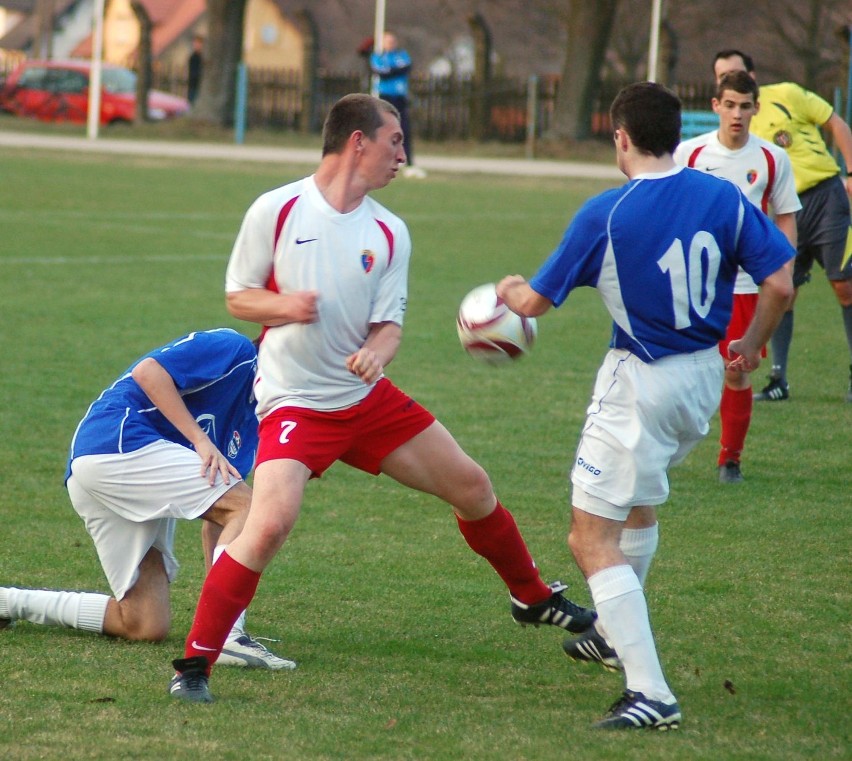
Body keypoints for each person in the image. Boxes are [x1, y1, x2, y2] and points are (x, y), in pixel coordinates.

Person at [167, 93, 595, 703]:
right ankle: (194, 666)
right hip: (294, 402)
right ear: (357, 142)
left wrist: (378, 353)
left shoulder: (390, 232)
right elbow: (238, 296)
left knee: (472, 486)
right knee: (267, 525)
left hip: (365, 400)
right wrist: (285, 305)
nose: (404, 154)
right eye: (396, 140)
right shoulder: (278, 209)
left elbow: (388, 325)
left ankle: (530, 596)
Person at [497, 82, 794, 730]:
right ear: (675, 134)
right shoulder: (722, 195)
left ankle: (651, 691)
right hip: (703, 377)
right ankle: (610, 630)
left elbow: (534, 306)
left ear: (621, 139)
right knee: (635, 503)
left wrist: (508, 291)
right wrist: (750, 341)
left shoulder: (607, 212)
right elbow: (779, 279)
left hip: (640, 380)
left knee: (588, 536)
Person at [0, 328, 295, 671]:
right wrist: (200, 441)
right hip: (118, 442)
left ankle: (8, 602)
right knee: (253, 508)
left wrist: (219, 605)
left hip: (99, 470)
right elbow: (149, 372)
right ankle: (228, 639)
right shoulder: (236, 349)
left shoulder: (261, 417)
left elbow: (224, 519)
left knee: (144, 623)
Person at [674, 71, 801, 483]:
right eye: (729, 104)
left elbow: (784, 216)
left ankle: (730, 459)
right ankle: (665, 450)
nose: (737, 114)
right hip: (696, 282)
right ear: (715, 106)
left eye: (745, 106)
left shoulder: (771, 159)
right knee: (679, 368)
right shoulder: (688, 155)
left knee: (736, 368)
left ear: (755, 109)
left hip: (746, 284)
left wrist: (784, 266)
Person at [713, 50, 852, 403]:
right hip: (785, 212)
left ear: (753, 76)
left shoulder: (787, 95)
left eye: (736, 73)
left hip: (825, 196)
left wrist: (851, 172)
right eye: (722, 76)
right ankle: (778, 379)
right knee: (781, 292)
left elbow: (836, 122)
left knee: (844, 285)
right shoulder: (734, 129)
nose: (732, 82)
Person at [369, 31, 426, 179]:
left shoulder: (402, 55)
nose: (391, 44)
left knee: (404, 129)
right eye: (387, 41)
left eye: (392, 41)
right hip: (385, 97)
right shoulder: (378, 57)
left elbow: (406, 68)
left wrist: (391, 70)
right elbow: (381, 73)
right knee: (383, 129)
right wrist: (394, 71)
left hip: (400, 97)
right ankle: (379, 160)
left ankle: (409, 163)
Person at [187, 35, 204, 104]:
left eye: (198, 44)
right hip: (193, 85)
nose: (196, 45)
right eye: (195, 44)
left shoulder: (202, 57)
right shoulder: (193, 57)